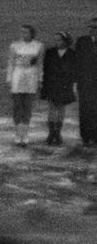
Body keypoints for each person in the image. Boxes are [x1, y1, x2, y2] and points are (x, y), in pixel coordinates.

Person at [5, 24, 44, 147]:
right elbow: (11, 63)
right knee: (17, 106)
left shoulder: (39, 46)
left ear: (32, 33)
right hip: (18, 75)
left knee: (27, 106)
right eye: (22, 32)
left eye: (26, 32)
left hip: (31, 76)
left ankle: (25, 134)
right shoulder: (15, 45)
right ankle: (18, 133)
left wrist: (40, 79)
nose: (23, 34)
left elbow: (40, 64)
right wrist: (9, 79)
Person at [40, 32, 76, 146]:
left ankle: (58, 133)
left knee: (61, 108)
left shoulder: (72, 53)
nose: (57, 42)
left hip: (65, 84)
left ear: (65, 41)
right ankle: (51, 133)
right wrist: (44, 83)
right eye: (56, 40)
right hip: (51, 84)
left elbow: (74, 70)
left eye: (59, 40)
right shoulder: (50, 52)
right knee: (51, 108)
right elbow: (45, 68)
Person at [76, 16, 97, 146]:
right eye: (90, 27)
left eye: (95, 27)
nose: (92, 30)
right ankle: (86, 136)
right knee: (85, 109)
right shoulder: (82, 41)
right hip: (85, 82)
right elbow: (77, 61)